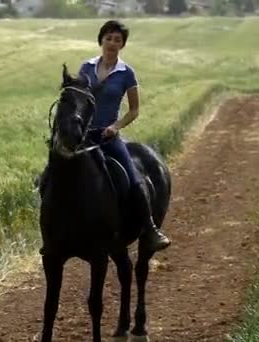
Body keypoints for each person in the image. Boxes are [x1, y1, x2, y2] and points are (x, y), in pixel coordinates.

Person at [74, 20, 171, 253]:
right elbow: (76, 99)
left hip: (109, 137)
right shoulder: (86, 68)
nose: (112, 43)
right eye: (109, 38)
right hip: (84, 136)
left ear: (122, 45)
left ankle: (149, 228)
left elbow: (134, 109)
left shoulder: (126, 73)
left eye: (117, 40)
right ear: (101, 40)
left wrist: (116, 126)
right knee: (55, 170)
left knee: (133, 178)